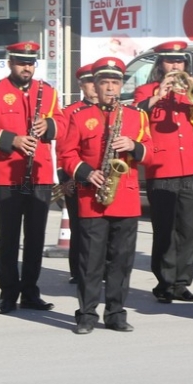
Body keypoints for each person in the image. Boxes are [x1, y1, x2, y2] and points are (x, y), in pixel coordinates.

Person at [58, 57, 152, 334]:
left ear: (121, 85)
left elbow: (152, 152)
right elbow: (66, 154)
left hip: (126, 198)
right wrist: (86, 172)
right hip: (92, 198)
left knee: (121, 261)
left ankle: (116, 313)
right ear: (95, 86)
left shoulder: (136, 116)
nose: (110, 88)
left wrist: (133, 146)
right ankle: (86, 314)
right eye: (105, 83)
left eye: (115, 82)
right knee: (90, 261)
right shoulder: (79, 117)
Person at [0, 41, 60, 314]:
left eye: (31, 63)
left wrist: (48, 125)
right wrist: (14, 140)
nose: (27, 67)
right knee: (9, 238)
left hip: (40, 174)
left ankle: (31, 292)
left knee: (35, 237)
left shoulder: (47, 91)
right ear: (10, 62)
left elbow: (62, 120)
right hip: (8, 175)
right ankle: (8, 293)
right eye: (22, 62)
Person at [134, 40, 193, 304]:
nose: (175, 65)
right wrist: (156, 97)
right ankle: (164, 283)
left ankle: (182, 283)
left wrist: (190, 89)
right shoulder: (145, 91)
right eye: (170, 61)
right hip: (162, 169)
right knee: (164, 229)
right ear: (160, 64)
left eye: (180, 62)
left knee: (189, 228)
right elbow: (135, 118)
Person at [58, 63, 98, 285]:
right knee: (79, 226)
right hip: (76, 178)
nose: (94, 86)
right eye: (89, 81)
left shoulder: (112, 110)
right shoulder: (69, 112)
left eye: (96, 81)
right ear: (81, 85)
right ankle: (78, 270)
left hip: (103, 179)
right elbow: (62, 150)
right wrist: (65, 179)